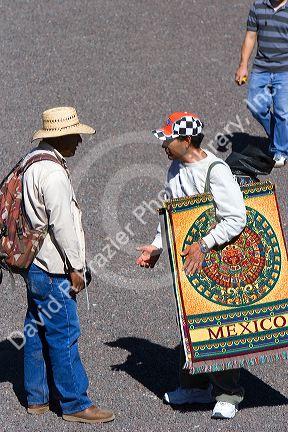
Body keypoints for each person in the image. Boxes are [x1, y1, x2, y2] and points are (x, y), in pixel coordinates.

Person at [136, 112, 247, 419]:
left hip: (217, 260)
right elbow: (171, 213)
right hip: (189, 260)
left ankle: (229, 392)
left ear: (186, 141)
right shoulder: (174, 168)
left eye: (168, 140)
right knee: (190, 321)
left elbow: (237, 218)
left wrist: (205, 243)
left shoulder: (216, 170)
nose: (163, 146)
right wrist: (158, 246)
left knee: (220, 323)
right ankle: (195, 385)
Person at [21, 107, 115, 424]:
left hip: (32, 263)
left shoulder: (31, 161)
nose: (78, 141)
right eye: (75, 135)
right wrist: (76, 267)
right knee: (65, 334)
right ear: (60, 136)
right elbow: (62, 226)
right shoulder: (54, 174)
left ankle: (37, 398)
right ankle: (75, 403)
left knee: (35, 328)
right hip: (53, 266)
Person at [235, 0, 288, 168]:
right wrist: (243, 65)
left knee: (282, 113)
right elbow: (250, 36)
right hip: (261, 68)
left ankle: (280, 150)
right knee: (255, 107)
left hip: (284, 70)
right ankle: (280, 136)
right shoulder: (258, 6)